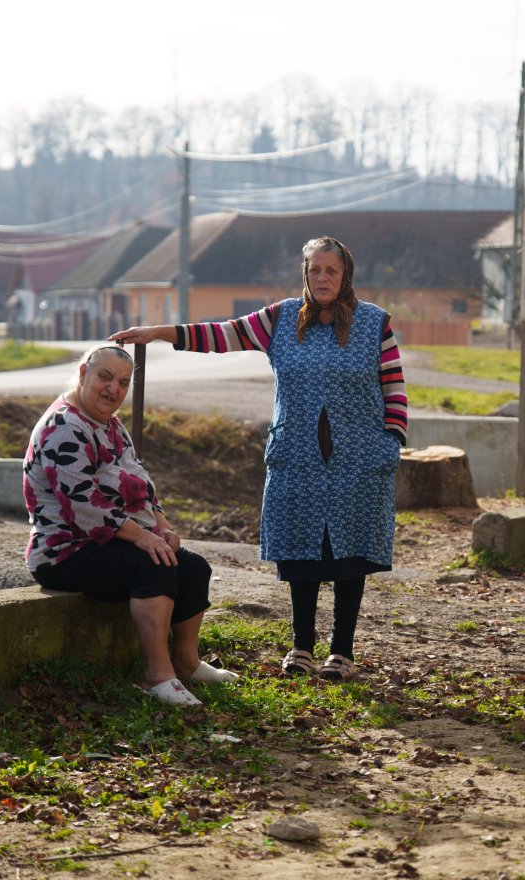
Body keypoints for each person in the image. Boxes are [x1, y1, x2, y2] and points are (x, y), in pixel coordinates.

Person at [110, 235, 406, 682]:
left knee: (351, 553)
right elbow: (221, 335)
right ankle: (302, 646)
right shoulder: (281, 319)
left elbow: (394, 388)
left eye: (331, 270)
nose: (323, 278)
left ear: (346, 275)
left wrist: (390, 444)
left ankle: (342, 651)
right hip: (297, 457)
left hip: (359, 457)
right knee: (303, 551)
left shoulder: (374, 323)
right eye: (315, 270)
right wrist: (159, 333)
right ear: (305, 274)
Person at [22, 343, 238, 706]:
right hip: (65, 552)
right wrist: (142, 537)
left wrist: (162, 527)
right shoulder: (63, 426)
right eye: (105, 377)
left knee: (192, 566)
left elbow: (141, 483)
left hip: (108, 544)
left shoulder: (111, 425)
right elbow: (83, 505)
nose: (113, 389)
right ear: (83, 374)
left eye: (123, 383)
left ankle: (187, 663)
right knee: (153, 563)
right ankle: (157, 676)